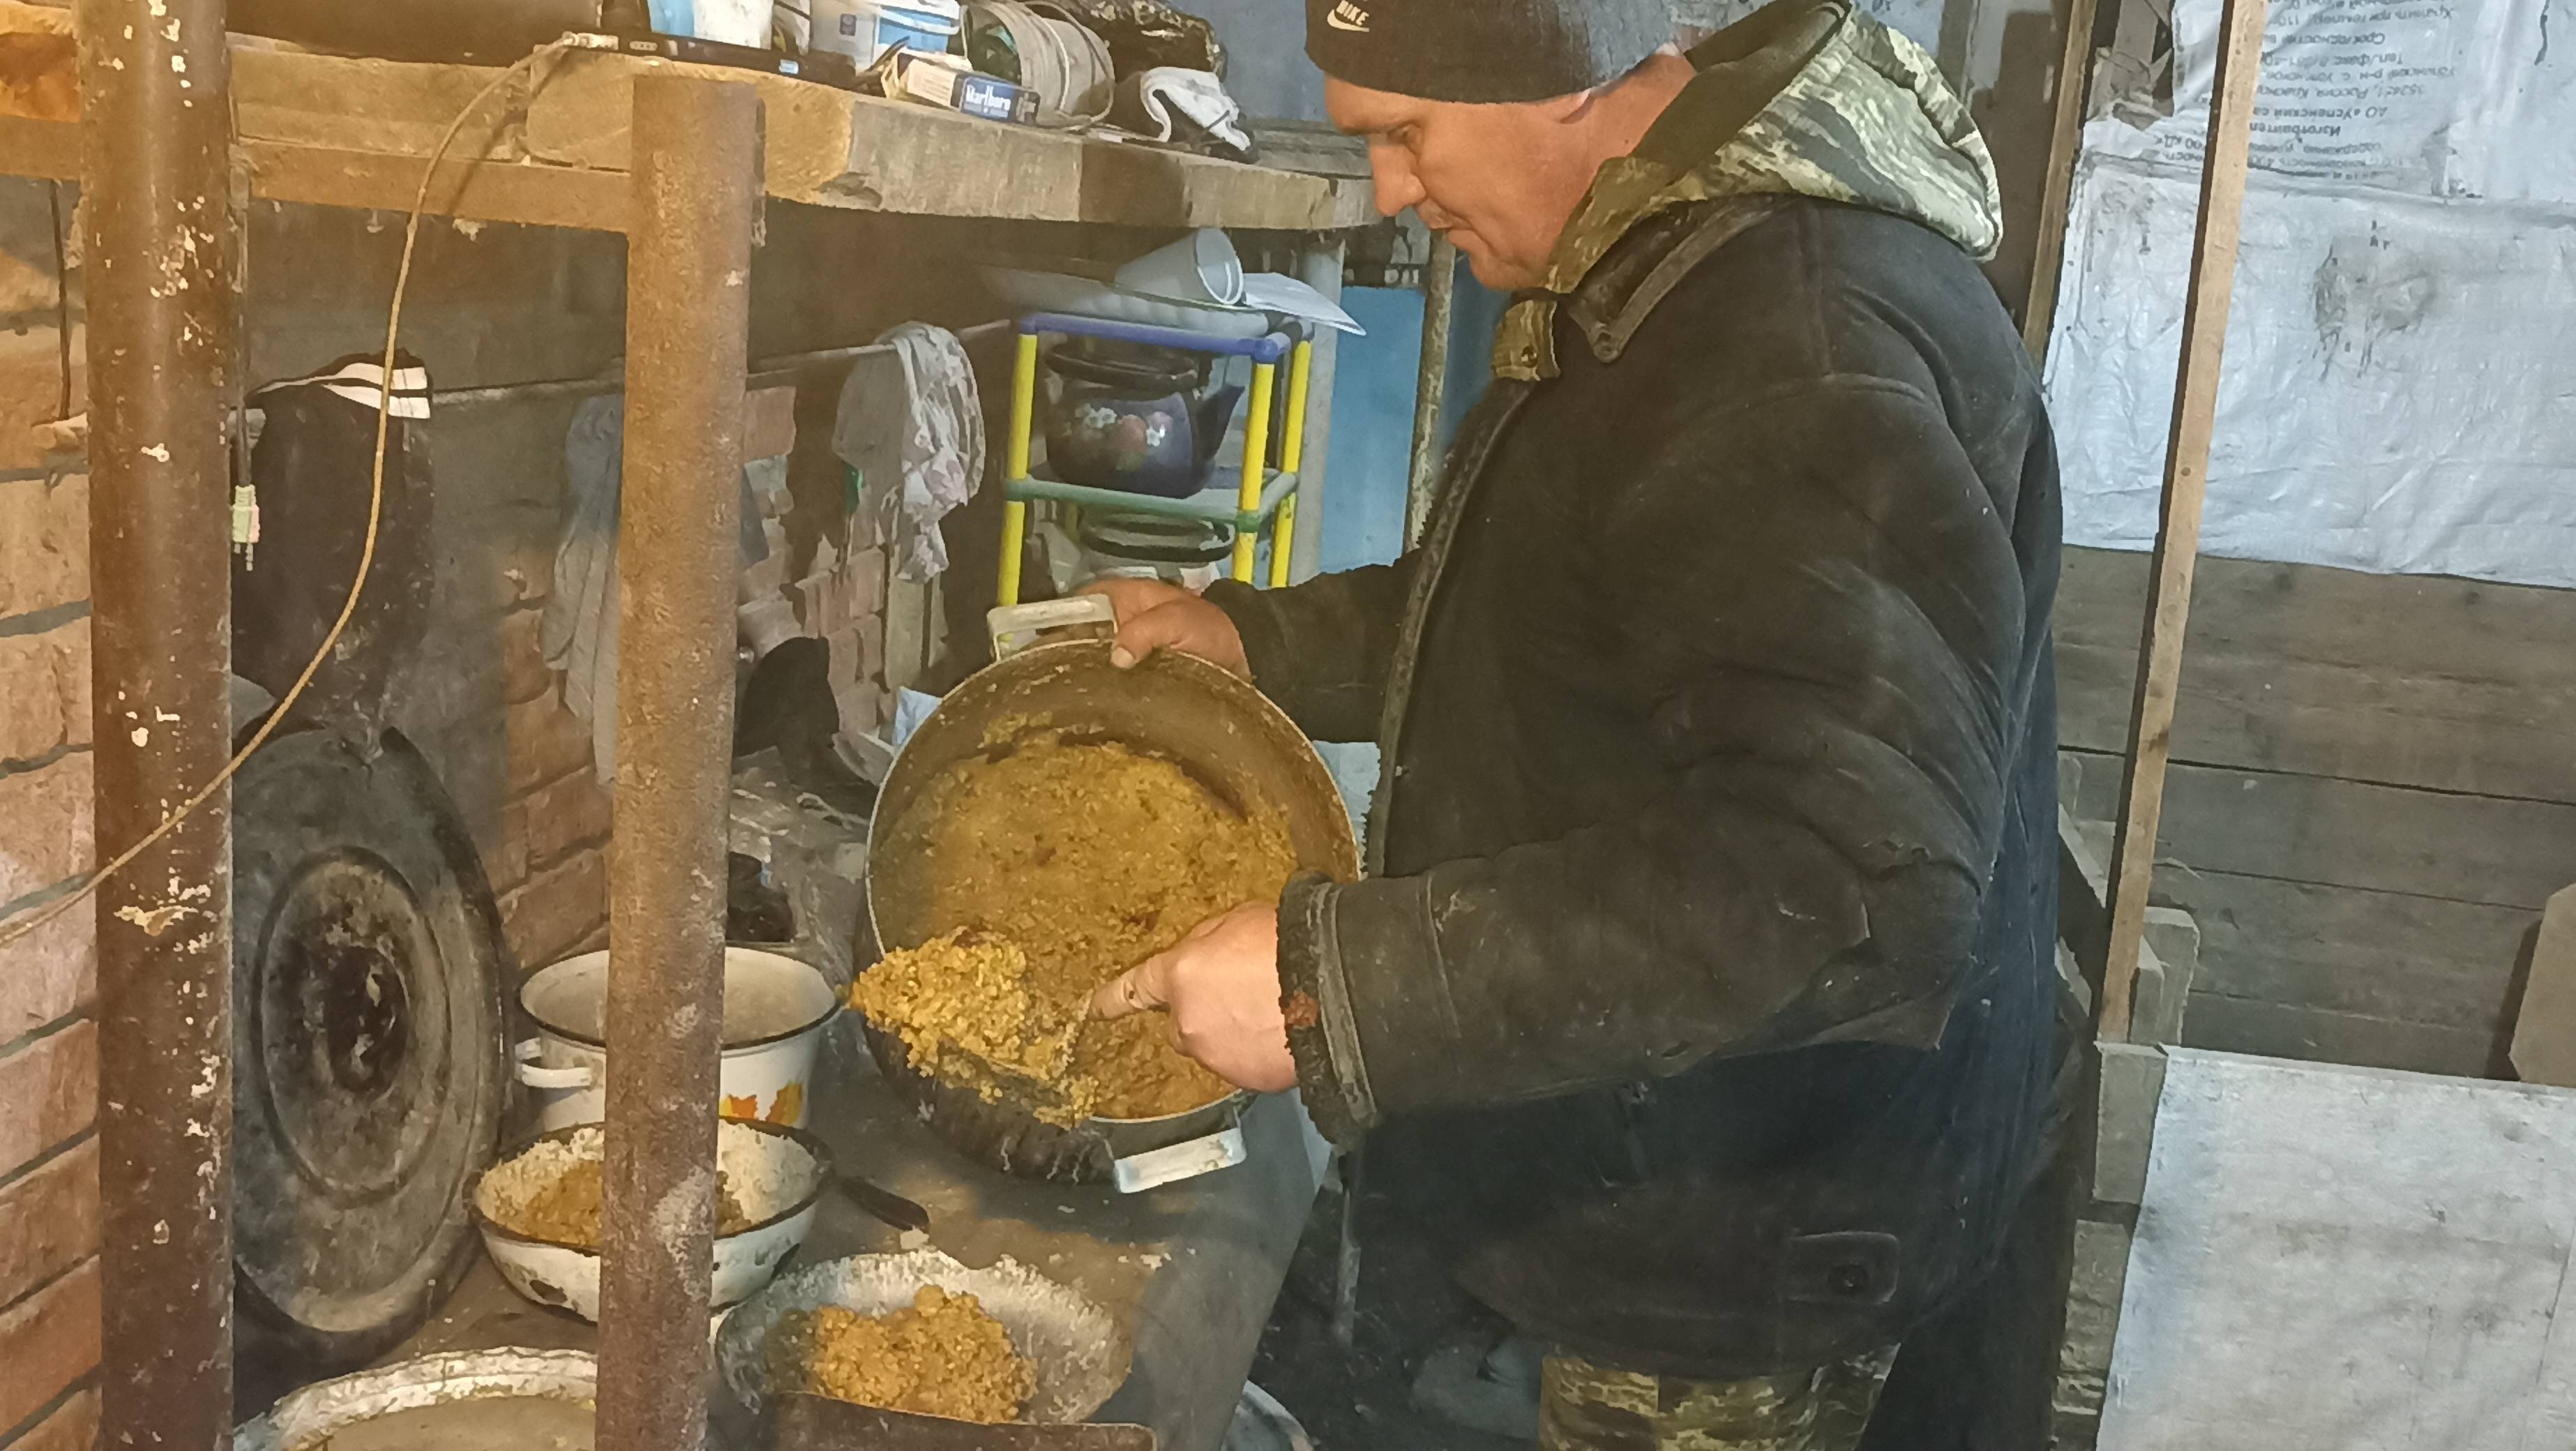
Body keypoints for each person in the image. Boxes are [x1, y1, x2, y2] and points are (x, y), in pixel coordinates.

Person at [1087, 0, 2063, 1445]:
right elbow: (1561, 607)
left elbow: (1841, 880)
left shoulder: (1784, 345)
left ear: (1558, 82)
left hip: (1748, 1232)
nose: (1391, 193)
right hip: (1671, 1155)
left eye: (1406, 135)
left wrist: (1332, 987)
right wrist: (1254, 641)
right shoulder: (1666, 275)